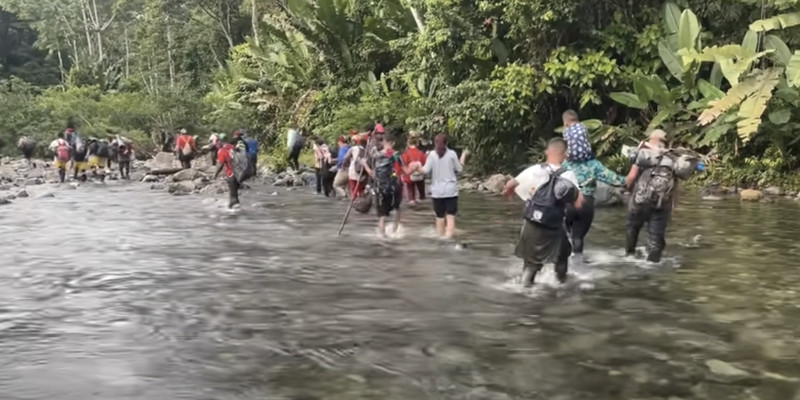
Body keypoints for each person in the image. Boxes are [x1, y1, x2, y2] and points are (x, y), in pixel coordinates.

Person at [502, 138, 583, 287]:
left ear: (547, 152)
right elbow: (578, 203)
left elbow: (510, 185)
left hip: (531, 222)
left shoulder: (535, 170)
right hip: (554, 226)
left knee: (531, 263)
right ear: (564, 155)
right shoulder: (568, 175)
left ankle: (523, 290)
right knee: (562, 254)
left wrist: (509, 195)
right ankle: (561, 285)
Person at [624, 129, 677, 263]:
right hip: (661, 204)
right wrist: (673, 206)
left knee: (632, 228)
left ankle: (629, 257)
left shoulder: (644, 155)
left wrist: (628, 192)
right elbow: (675, 188)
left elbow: (630, 178)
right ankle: (652, 265)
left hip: (639, 201)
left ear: (650, 140)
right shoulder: (672, 159)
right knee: (656, 238)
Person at [561, 158, 627, 258]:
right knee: (578, 237)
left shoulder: (564, 164)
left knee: (563, 233)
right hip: (586, 203)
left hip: (567, 202)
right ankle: (578, 263)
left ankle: (563, 260)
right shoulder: (594, 165)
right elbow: (615, 179)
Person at [412, 134, 468, 239]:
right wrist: (464, 156)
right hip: (450, 191)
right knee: (450, 217)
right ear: (446, 143)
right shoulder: (452, 154)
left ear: (435, 143)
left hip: (437, 192)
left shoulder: (432, 155)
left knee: (439, 217)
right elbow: (459, 169)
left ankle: (440, 240)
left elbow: (424, 171)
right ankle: (448, 239)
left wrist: (417, 166)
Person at [360, 134, 413, 237]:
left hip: (380, 188)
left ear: (383, 143)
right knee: (397, 209)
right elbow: (406, 171)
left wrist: (364, 164)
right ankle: (394, 230)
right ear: (393, 143)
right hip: (394, 187)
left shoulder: (376, 156)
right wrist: (415, 166)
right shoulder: (396, 155)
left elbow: (372, 174)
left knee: (382, 215)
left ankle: (382, 236)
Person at [214, 137, 241, 209]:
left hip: (231, 174)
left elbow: (220, 164)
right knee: (235, 193)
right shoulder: (233, 147)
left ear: (220, 142)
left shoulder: (222, 151)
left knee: (233, 194)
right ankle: (235, 206)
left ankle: (232, 210)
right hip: (240, 173)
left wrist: (215, 174)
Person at [401, 133, 427, 205]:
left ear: (408, 143)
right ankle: (422, 197)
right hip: (419, 175)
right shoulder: (421, 153)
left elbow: (404, 164)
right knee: (421, 185)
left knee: (410, 187)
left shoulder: (405, 153)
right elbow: (424, 164)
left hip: (410, 176)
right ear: (417, 143)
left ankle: (411, 199)